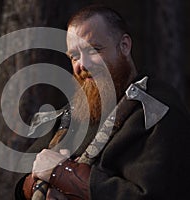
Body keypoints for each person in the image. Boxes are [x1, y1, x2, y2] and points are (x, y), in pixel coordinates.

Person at [15, 5, 190, 200]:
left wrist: (63, 175)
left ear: (124, 46)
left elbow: (152, 195)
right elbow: (22, 178)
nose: (82, 64)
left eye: (94, 50)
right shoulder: (75, 111)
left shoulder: (159, 110)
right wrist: (41, 189)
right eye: (74, 56)